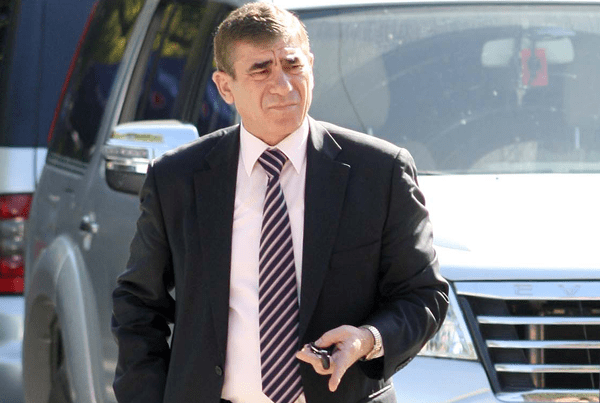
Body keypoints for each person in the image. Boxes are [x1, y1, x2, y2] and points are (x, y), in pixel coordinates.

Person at [111, 2, 449, 403]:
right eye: (261, 70)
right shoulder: (177, 179)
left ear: (311, 66)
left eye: (293, 65)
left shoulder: (380, 172)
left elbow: (423, 295)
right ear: (225, 87)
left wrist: (368, 339)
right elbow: (138, 305)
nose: (284, 86)